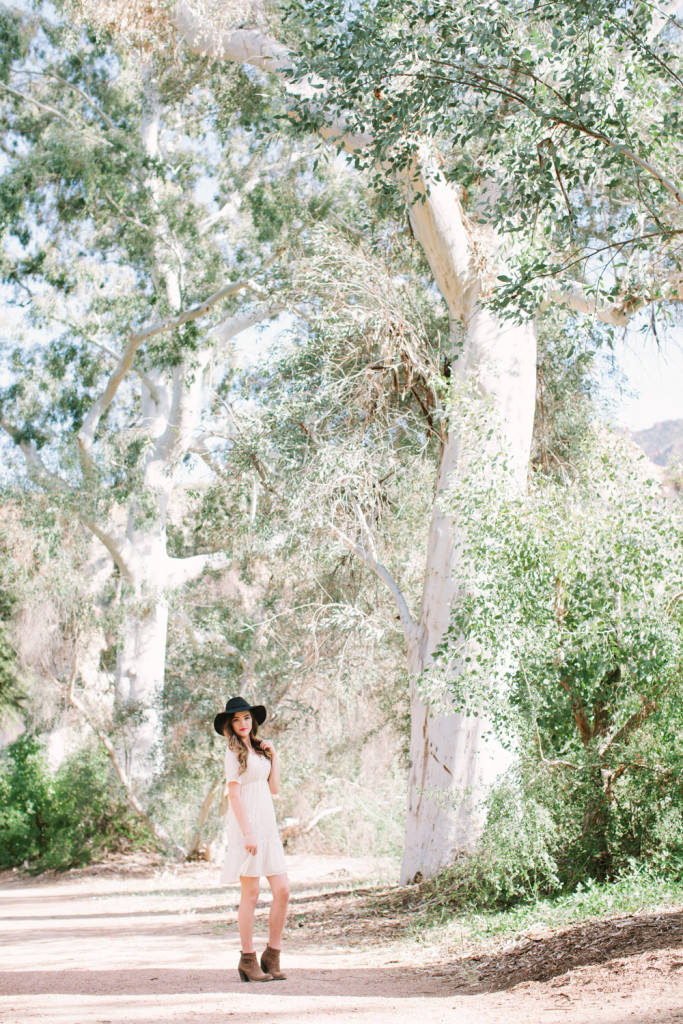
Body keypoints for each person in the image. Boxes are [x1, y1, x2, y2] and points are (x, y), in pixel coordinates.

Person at [213, 695, 290, 983]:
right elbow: (233, 794)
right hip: (248, 827)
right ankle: (248, 959)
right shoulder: (232, 753)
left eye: (246, 718)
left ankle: (273, 955)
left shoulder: (260, 749)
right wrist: (247, 833)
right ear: (230, 725)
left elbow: (275, 789)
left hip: (268, 825)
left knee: (282, 890)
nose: (242, 723)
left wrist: (275, 756)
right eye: (236, 719)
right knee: (252, 894)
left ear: (252, 720)